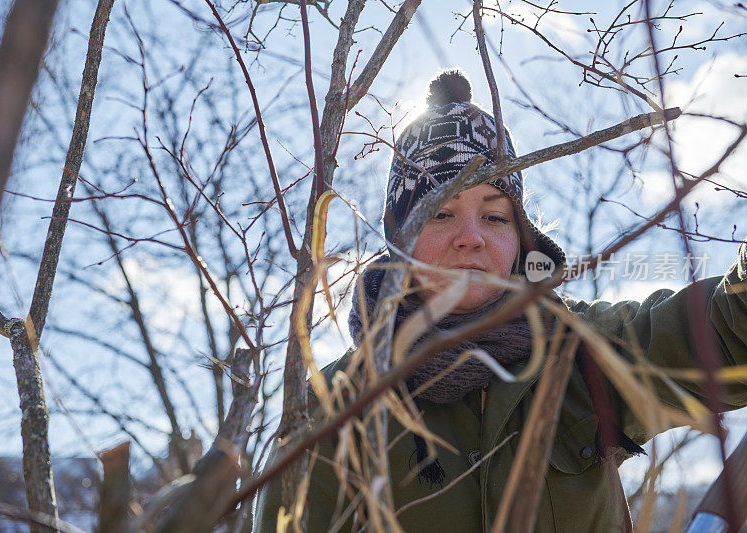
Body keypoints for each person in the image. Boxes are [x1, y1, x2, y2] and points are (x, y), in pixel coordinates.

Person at [253, 70, 747, 532]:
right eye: (442, 214)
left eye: (495, 217)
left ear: (520, 241)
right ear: (399, 238)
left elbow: (722, 334)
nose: (471, 238)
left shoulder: (582, 352)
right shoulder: (336, 408)